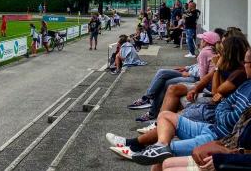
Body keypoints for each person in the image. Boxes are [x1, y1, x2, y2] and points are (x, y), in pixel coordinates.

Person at [107, 48, 251, 165]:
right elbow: (222, 101)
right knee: (166, 106)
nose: (219, 49)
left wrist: (217, 69)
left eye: (223, 46)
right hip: (212, 123)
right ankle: (157, 142)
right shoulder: (245, 82)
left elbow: (219, 100)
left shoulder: (239, 75)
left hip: (219, 134)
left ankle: (138, 145)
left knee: (173, 89)